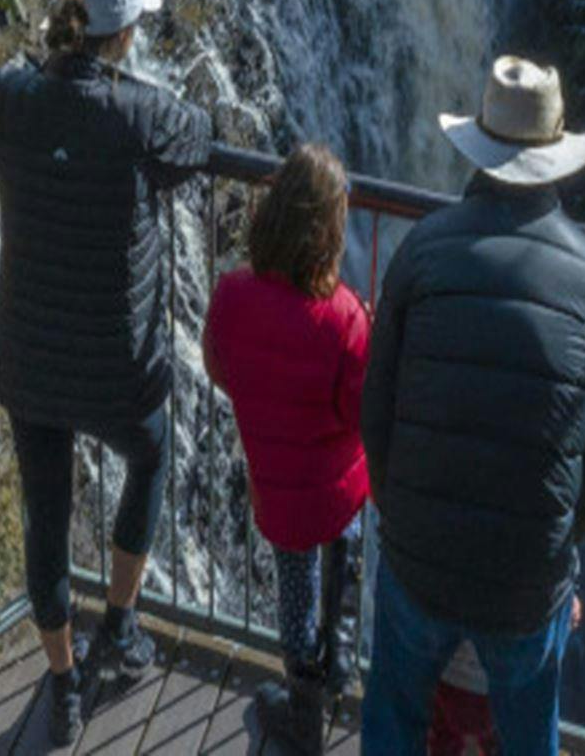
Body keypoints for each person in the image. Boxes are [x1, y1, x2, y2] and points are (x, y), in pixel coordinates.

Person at [0, 0, 212, 746]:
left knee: (46, 516)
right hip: (115, 368)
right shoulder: (139, 113)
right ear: (123, 35)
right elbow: (198, 139)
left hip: (29, 363)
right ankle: (121, 625)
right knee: (152, 455)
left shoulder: (12, 99)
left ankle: (62, 686)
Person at [360, 56, 585, 756]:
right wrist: (564, 550)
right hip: (525, 576)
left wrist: (399, 514)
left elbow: (376, 407)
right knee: (530, 735)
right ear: (556, 157)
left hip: (418, 554)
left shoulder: (420, 251)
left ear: (480, 142)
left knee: (391, 718)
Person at [203, 143, 369, 755]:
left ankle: (302, 712)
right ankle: (344, 650)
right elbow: (360, 412)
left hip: (276, 486)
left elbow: (219, 369)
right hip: (340, 491)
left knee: (292, 588)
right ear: (328, 232)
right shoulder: (345, 318)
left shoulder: (230, 296)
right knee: (345, 553)